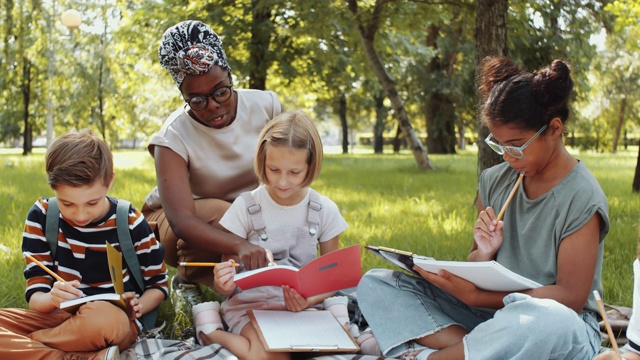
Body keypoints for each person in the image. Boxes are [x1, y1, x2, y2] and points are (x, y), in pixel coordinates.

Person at [356, 57, 610, 360]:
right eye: (499, 146)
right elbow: (476, 262)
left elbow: (570, 299)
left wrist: (478, 296)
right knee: (377, 283)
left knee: (547, 322)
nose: (507, 157)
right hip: (491, 318)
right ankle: (483, 349)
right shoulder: (494, 181)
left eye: (515, 146)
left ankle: (432, 356)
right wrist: (484, 252)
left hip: (559, 325)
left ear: (554, 129)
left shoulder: (581, 196)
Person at [190, 110, 350, 359]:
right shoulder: (246, 207)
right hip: (252, 308)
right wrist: (223, 282)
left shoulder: (323, 209)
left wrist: (308, 301)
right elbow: (226, 278)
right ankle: (211, 330)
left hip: (304, 308)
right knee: (269, 357)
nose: (283, 182)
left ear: (311, 165)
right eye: (273, 169)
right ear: (261, 161)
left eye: (294, 172)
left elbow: (334, 277)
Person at [142, 20, 284, 296]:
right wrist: (239, 246)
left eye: (221, 91)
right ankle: (189, 279)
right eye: (197, 100)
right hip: (172, 224)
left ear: (230, 76)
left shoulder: (266, 107)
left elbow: (294, 164)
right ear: (182, 94)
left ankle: (255, 284)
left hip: (246, 213)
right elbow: (182, 221)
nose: (214, 105)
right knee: (226, 213)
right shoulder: (172, 137)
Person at [0, 130, 168, 360]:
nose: (80, 215)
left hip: (111, 321)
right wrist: (52, 298)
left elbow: (159, 285)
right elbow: (36, 298)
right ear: (53, 187)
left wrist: (138, 305)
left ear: (110, 181)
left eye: (92, 202)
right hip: (57, 318)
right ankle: (81, 357)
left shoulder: (129, 221)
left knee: (104, 319)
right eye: (67, 203)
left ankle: (29, 346)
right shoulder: (42, 216)